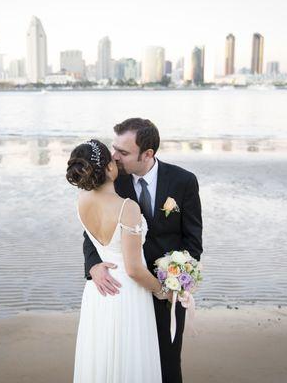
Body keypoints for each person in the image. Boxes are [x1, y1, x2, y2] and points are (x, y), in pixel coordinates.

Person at [82, 118, 203, 383]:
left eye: (123, 152)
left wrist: (178, 279)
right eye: (114, 148)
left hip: (165, 291)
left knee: (167, 363)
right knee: (128, 363)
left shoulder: (184, 181)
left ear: (148, 154)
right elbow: (90, 232)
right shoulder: (111, 181)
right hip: (125, 293)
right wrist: (93, 266)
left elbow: (193, 243)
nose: (113, 157)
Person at [68, 138, 163, 383]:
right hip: (126, 291)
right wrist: (163, 291)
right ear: (109, 168)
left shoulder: (82, 200)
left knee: (101, 359)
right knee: (129, 360)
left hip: (98, 292)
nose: (117, 160)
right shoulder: (127, 208)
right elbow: (133, 269)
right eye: (113, 159)